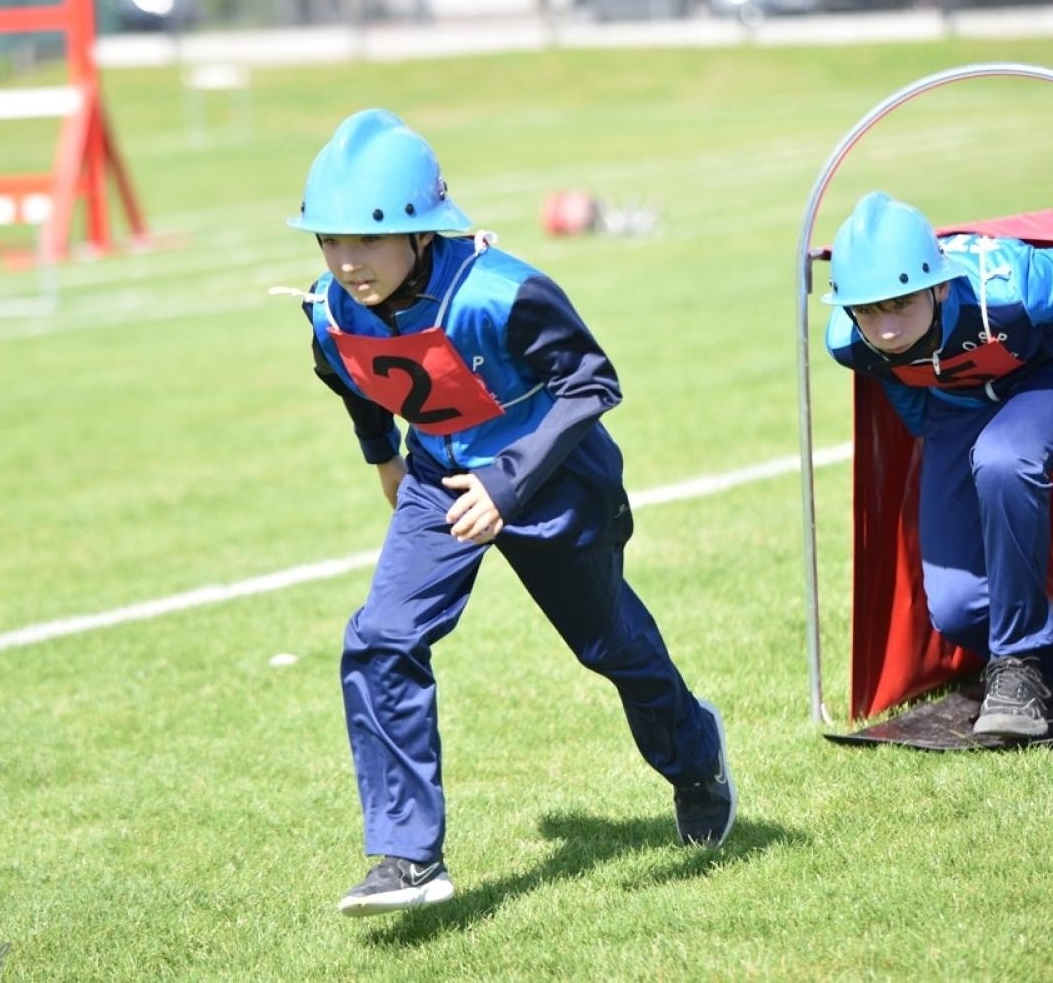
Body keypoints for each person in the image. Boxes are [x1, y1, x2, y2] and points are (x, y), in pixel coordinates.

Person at [281, 109, 735, 918]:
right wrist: (383, 457)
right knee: (381, 637)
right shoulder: (330, 307)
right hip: (435, 476)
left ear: (423, 232)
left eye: (368, 240)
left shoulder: (504, 292)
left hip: (551, 479)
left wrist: (508, 485)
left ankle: (696, 758)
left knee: (611, 646)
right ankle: (408, 859)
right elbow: (345, 373)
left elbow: (592, 382)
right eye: (330, 241)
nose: (347, 263)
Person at [822, 192, 1053, 738]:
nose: (885, 328)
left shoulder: (1011, 289)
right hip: (958, 413)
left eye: (899, 304)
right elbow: (899, 381)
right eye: (868, 310)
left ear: (939, 285)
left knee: (1004, 458)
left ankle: (1022, 662)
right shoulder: (851, 342)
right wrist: (934, 432)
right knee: (957, 611)